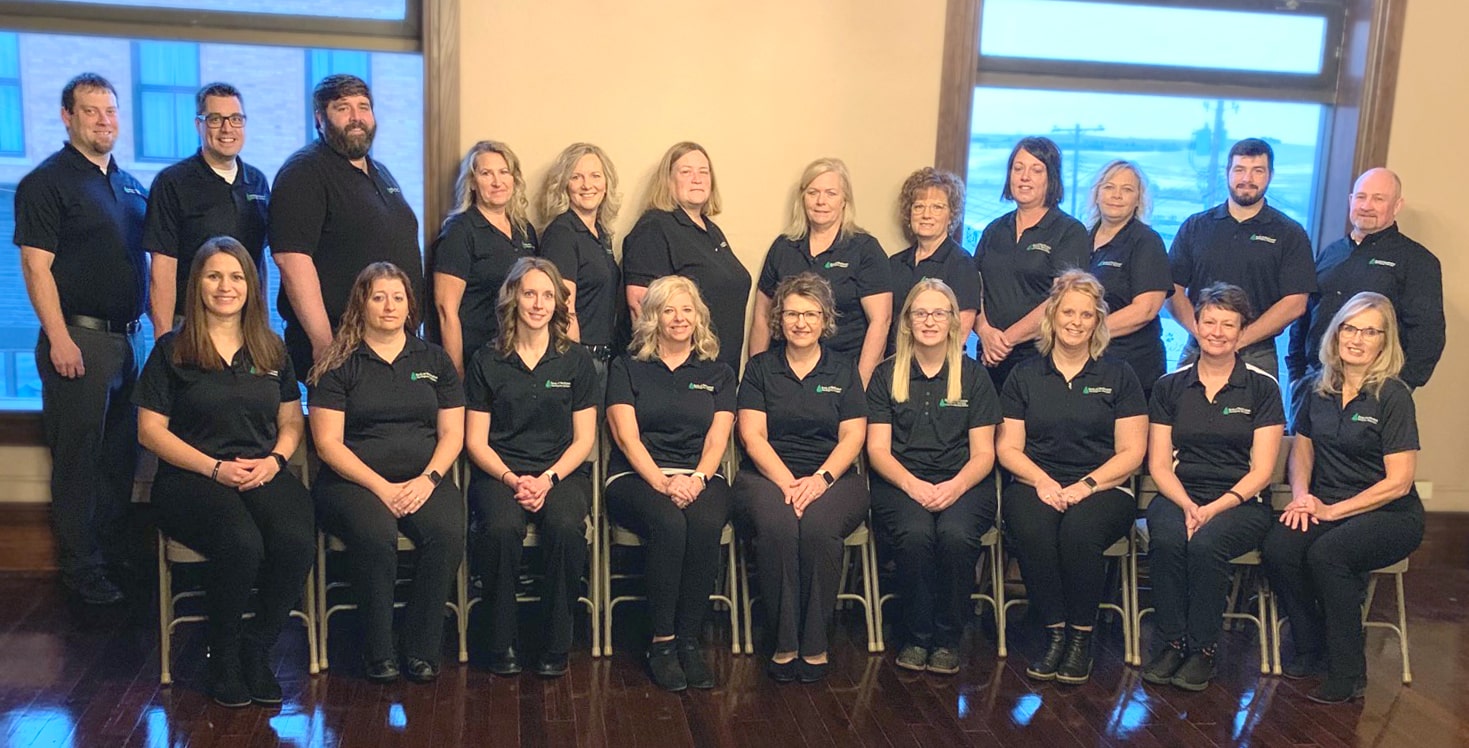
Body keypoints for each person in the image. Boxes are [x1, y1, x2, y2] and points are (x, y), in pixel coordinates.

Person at [135, 238, 314, 707]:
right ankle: (225, 657)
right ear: (197, 284)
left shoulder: (271, 348)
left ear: (251, 286)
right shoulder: (172, 350)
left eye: (236, 277)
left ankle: (258, 648)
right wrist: (214, 469)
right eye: (214, 276)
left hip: (261, 468)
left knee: (297, 537)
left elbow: (292, 421)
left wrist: (276, 460)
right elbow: (150, 431)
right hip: (191, 477)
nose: (225, 286)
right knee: (241, 542)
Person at [15, 73, 147, 605]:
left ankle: (112, 556)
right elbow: (35, 266)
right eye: (90, 111)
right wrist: (59, 337)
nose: (103, 120)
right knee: (78, 459)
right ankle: (81, 569)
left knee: (121, 456)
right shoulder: (47, 183)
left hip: (129, 341)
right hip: (78, 339)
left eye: (110, 111)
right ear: (67, 116)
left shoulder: (128, 183)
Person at [308, 263, 465, 685]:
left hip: (423, 477)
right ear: (362, 304)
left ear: (410, 305)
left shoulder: (433, 359)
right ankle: (377, 648)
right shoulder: (338, 363)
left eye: (397, 297)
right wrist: (381, 487)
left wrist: (429, 480)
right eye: (378, 297)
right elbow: (327, 444)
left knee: (448, 531)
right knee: (376, 535)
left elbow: (453, 433)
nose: (389, 306)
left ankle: (421, 645)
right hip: (353, 483)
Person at [1264, 292, 1423, 704]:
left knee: (1328, 555)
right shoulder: (1315, 389)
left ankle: (1348, 671)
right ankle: (1310, 644)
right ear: (1335, 335)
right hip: (1324, 502)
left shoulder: (1393, 395)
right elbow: (1302, 451)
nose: (1357, 339)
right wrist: (1301, 498)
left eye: (1370, 331)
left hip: (1389, 513)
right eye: (1350, 328)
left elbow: (1400, 481)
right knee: (1279, 547)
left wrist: (1333, 510)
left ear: (1384, 341)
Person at [996, 270, 1147, 685]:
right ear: (1052, 316)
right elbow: (1008, 447)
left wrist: (1086, 486)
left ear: (1098, 321)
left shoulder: (1119, 375)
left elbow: (1132, 452)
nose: (1076, 322)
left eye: (1086, 314)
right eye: (1068, 312)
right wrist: (1043, 482)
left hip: (1104, 487)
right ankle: (1053, 633)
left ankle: (1081, 637)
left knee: (1079, 531)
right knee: (1033, 527)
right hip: (1034, 482)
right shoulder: (1025, 375)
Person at [1141, 283, 1284, 692]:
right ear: (1195, 325)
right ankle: (1170, 643)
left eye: (1228, 324)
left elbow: (1262, 470)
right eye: (1209, 322)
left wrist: (1213, 510)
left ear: (1242, 332)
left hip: (1241, 501)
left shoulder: (1262, 387)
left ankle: (1203, 649)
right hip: (1178, 494)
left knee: (1206, 545)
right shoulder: (1170, 386)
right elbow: (1158, 462)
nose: (1217, 332)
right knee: (1167, 539)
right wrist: (1188, 505)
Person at [463, 257, 597, 679]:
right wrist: (510, 478)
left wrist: (548, 478)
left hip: (561, 472)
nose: (538, 303)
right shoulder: (486, 360)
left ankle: (556, 642)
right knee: (502, 529)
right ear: (513, 297)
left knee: (564, 527)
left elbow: (584, 440)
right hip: (499, 472)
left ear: (559, 302)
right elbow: (475, 441)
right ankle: (500, 639)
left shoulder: (576, 361)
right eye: (529, 293)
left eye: (547, 295)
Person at [733, 273, 869, 684]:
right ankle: (784, 640)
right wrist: (790, 482)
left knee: (818, 527)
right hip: (767, 475)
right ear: (779, 318)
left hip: (835, 476)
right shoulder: (760, 369)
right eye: (792, 313)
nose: (801, 322)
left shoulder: (843, 370)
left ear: (825, 319)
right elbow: (752, 435)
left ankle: (815, 642)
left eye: (811, 314)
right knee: (777, 526)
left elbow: (854, 436)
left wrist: (820, 479)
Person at [605, 275, 735, 692]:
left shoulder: (718, 371)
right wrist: (662, 482)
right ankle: (662, 643)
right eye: (668, 310)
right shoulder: (627, 367)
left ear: (699, 317)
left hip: (700, 475)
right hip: (636, 475)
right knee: (670, 523)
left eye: (687, 309)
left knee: (704, 522)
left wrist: (697, 478)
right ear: (653, 317)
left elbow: (718, 437)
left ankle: (689, 640)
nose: (679, 318)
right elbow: (626, 436)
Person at [867, 279, 1000, 676]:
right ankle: (915, 635)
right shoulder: (885, 375)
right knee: (915, 536)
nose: (929, 321)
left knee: (956, 537)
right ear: (907, 321)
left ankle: (946, 638)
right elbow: (877, 450)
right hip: (900, 482)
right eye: (920, 313)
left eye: (939, 313)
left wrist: (954, 487)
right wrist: (913, 485)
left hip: (964, 482)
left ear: (952, 322)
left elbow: (984, 454)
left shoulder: (974, 378)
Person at [272, 74, 421, 380]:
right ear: (319, 118)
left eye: (363, 107)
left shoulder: (381, 172)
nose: (356, 117)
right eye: (342, 108)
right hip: (341, 346)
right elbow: (291, 260)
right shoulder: (304, 171)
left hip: (390, 344)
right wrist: (324, 344)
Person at [1167, 138, 1315, 381]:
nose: (1247, 178)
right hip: (1198, 348)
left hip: (1256, 353)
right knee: (1180, 416)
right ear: (1228, 173)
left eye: (1258, 171)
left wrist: (1236, 340)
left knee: (1257, 420)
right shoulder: (1196, 226)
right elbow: (1172, 289)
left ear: (1270, 175)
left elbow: (1295, 302)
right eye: (1240, 169)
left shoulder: (1290, 233)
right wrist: (1204, 334)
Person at [1287, 167, 1443, 392]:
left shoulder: (1417, 261)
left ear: (1397, 206)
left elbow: (1428, 334)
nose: (1366, 206)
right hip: (1314, 382)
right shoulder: (1331, 253)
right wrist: (1296, 375)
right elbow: (1303, 316)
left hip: (1374, 388)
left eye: (1378, 199)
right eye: (1361, 197)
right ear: (1351, 200)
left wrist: (1400, 387)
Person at [748, 158, 891, 386]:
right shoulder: (783, 247)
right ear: (803, 197)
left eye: (831, 193)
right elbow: (762, 316)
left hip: (842, 377)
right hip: (783, 375)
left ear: (845, 200)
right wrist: (755, 379)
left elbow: (880, 322)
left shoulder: (865, 249)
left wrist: (859, 385)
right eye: (813, 192)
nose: (821, 201)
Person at [143, 82, 270, 336]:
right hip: (190, 326)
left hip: (246, 327)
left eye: (235, 119)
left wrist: (264, 328)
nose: (227, 128)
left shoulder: (257, 181)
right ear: (198, 124)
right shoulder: (173, 182)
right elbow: (163, 266)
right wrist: (163, 339)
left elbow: (259, 263)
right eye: (215, 119)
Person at [623, 141, 751, 373]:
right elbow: (639, 307)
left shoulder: (711, 231)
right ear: (668, 180)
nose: (697, 178)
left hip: (720, 370)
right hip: (679, 374)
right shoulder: (655, 227)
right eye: (686, 172)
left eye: (704, 172)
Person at [973, 137, 1090, 389]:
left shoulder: (1069, 231)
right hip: (988, 356)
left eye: (1036, 170)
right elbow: (974, 286)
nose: (1024, 177)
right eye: (1018, 168)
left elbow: (1063, 299)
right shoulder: (995, 229)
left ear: (1051, 179)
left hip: (1039, 359)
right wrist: (984, 330)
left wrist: (1005, 341)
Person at [432, 140, 539, 376]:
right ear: (472, 182)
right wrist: (456, 373)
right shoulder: (460, 231)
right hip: (475, 359)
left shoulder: (524, 231)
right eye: (486, 173)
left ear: (514, 179)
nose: (497, 182)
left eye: (504, 172)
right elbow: (445, 310)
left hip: (516, 359)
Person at [1084, 160, 1171, 398]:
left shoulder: (1146, 242)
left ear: (1138, 199)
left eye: (1127, 189)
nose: (1117, 195)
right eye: (1110, 187)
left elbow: (1145, 310)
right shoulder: (1080, 238)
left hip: (1134, 369)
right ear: (1097, 194)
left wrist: (1084, 331)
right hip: (1085, 365)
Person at [538, 143, 622, 385]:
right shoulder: (562, 233)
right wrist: (577, 365)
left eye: (595, 176)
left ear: (606, 184)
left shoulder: (600, 233)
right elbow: (565, 309)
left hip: (603, 357)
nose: (588, 185)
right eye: (577, 177)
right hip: (580, 357)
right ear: (565, 184)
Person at [888, 167, 981, 352]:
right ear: (909, 213)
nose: (926, 215)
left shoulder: (961, 263)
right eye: (919, 206)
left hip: (937, 369)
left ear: (951, 215)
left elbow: (961, 330)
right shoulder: (895, 263)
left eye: (937, 207)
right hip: (894, 365)